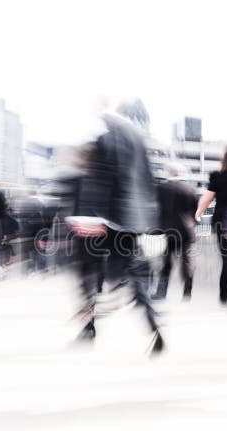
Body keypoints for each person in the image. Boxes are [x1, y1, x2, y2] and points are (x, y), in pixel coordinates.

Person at [70, 98, 164, 355]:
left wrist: (89, 218)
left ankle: (89, 328)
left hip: (108, 219)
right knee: (134, 273)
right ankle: (154, 327)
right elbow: (149, 181)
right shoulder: (138, 138)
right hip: (134, 220)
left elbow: (98, 183)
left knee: (89, 270)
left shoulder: (105, 139)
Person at [195, 145, 227, 309]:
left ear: (224, 159)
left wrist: (199, 213)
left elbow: (207, 198)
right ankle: (224, 296)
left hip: (222, 221)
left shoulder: (218, 176)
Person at [152, 162, 199, 302]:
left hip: (167, 232)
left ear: (169, 173)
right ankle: (187, 292)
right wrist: (192, 225)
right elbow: (196, 213)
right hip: (187, 231)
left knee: (166, 262)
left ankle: (161, 293)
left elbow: (155, 210)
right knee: (187, 262)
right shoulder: (191, 189)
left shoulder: (161, 188)